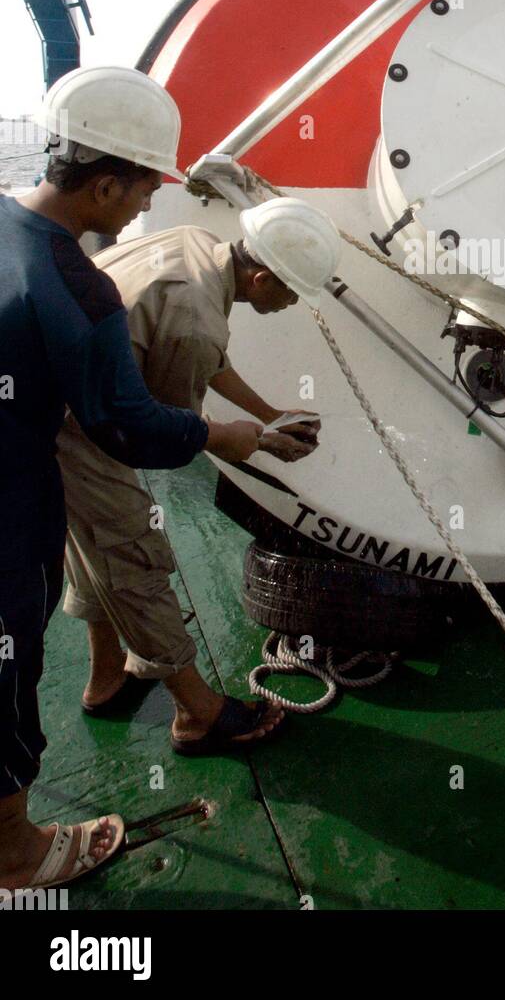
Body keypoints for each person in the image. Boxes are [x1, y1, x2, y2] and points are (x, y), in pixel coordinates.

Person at [0, 66, 264, 894]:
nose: (147, 207)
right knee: (8, 666)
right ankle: (16, 853)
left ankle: (108, 677)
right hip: (10, 501)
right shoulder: (79, 290)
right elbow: (132, 430)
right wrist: (225, 435)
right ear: (105, 182)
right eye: (144, 187)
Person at [56, 220, 321, 755]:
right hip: (72, 427)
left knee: (93, 552)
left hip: (47, 388)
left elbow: (202, 355)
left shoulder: (196, 243)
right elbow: (170, 436)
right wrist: (259, 442)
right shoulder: (198, 321)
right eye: (292, 292)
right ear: (263, 278)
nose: (293, 304)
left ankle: (106, 680)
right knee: (132, 558)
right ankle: (198, 716)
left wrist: (269, 414)